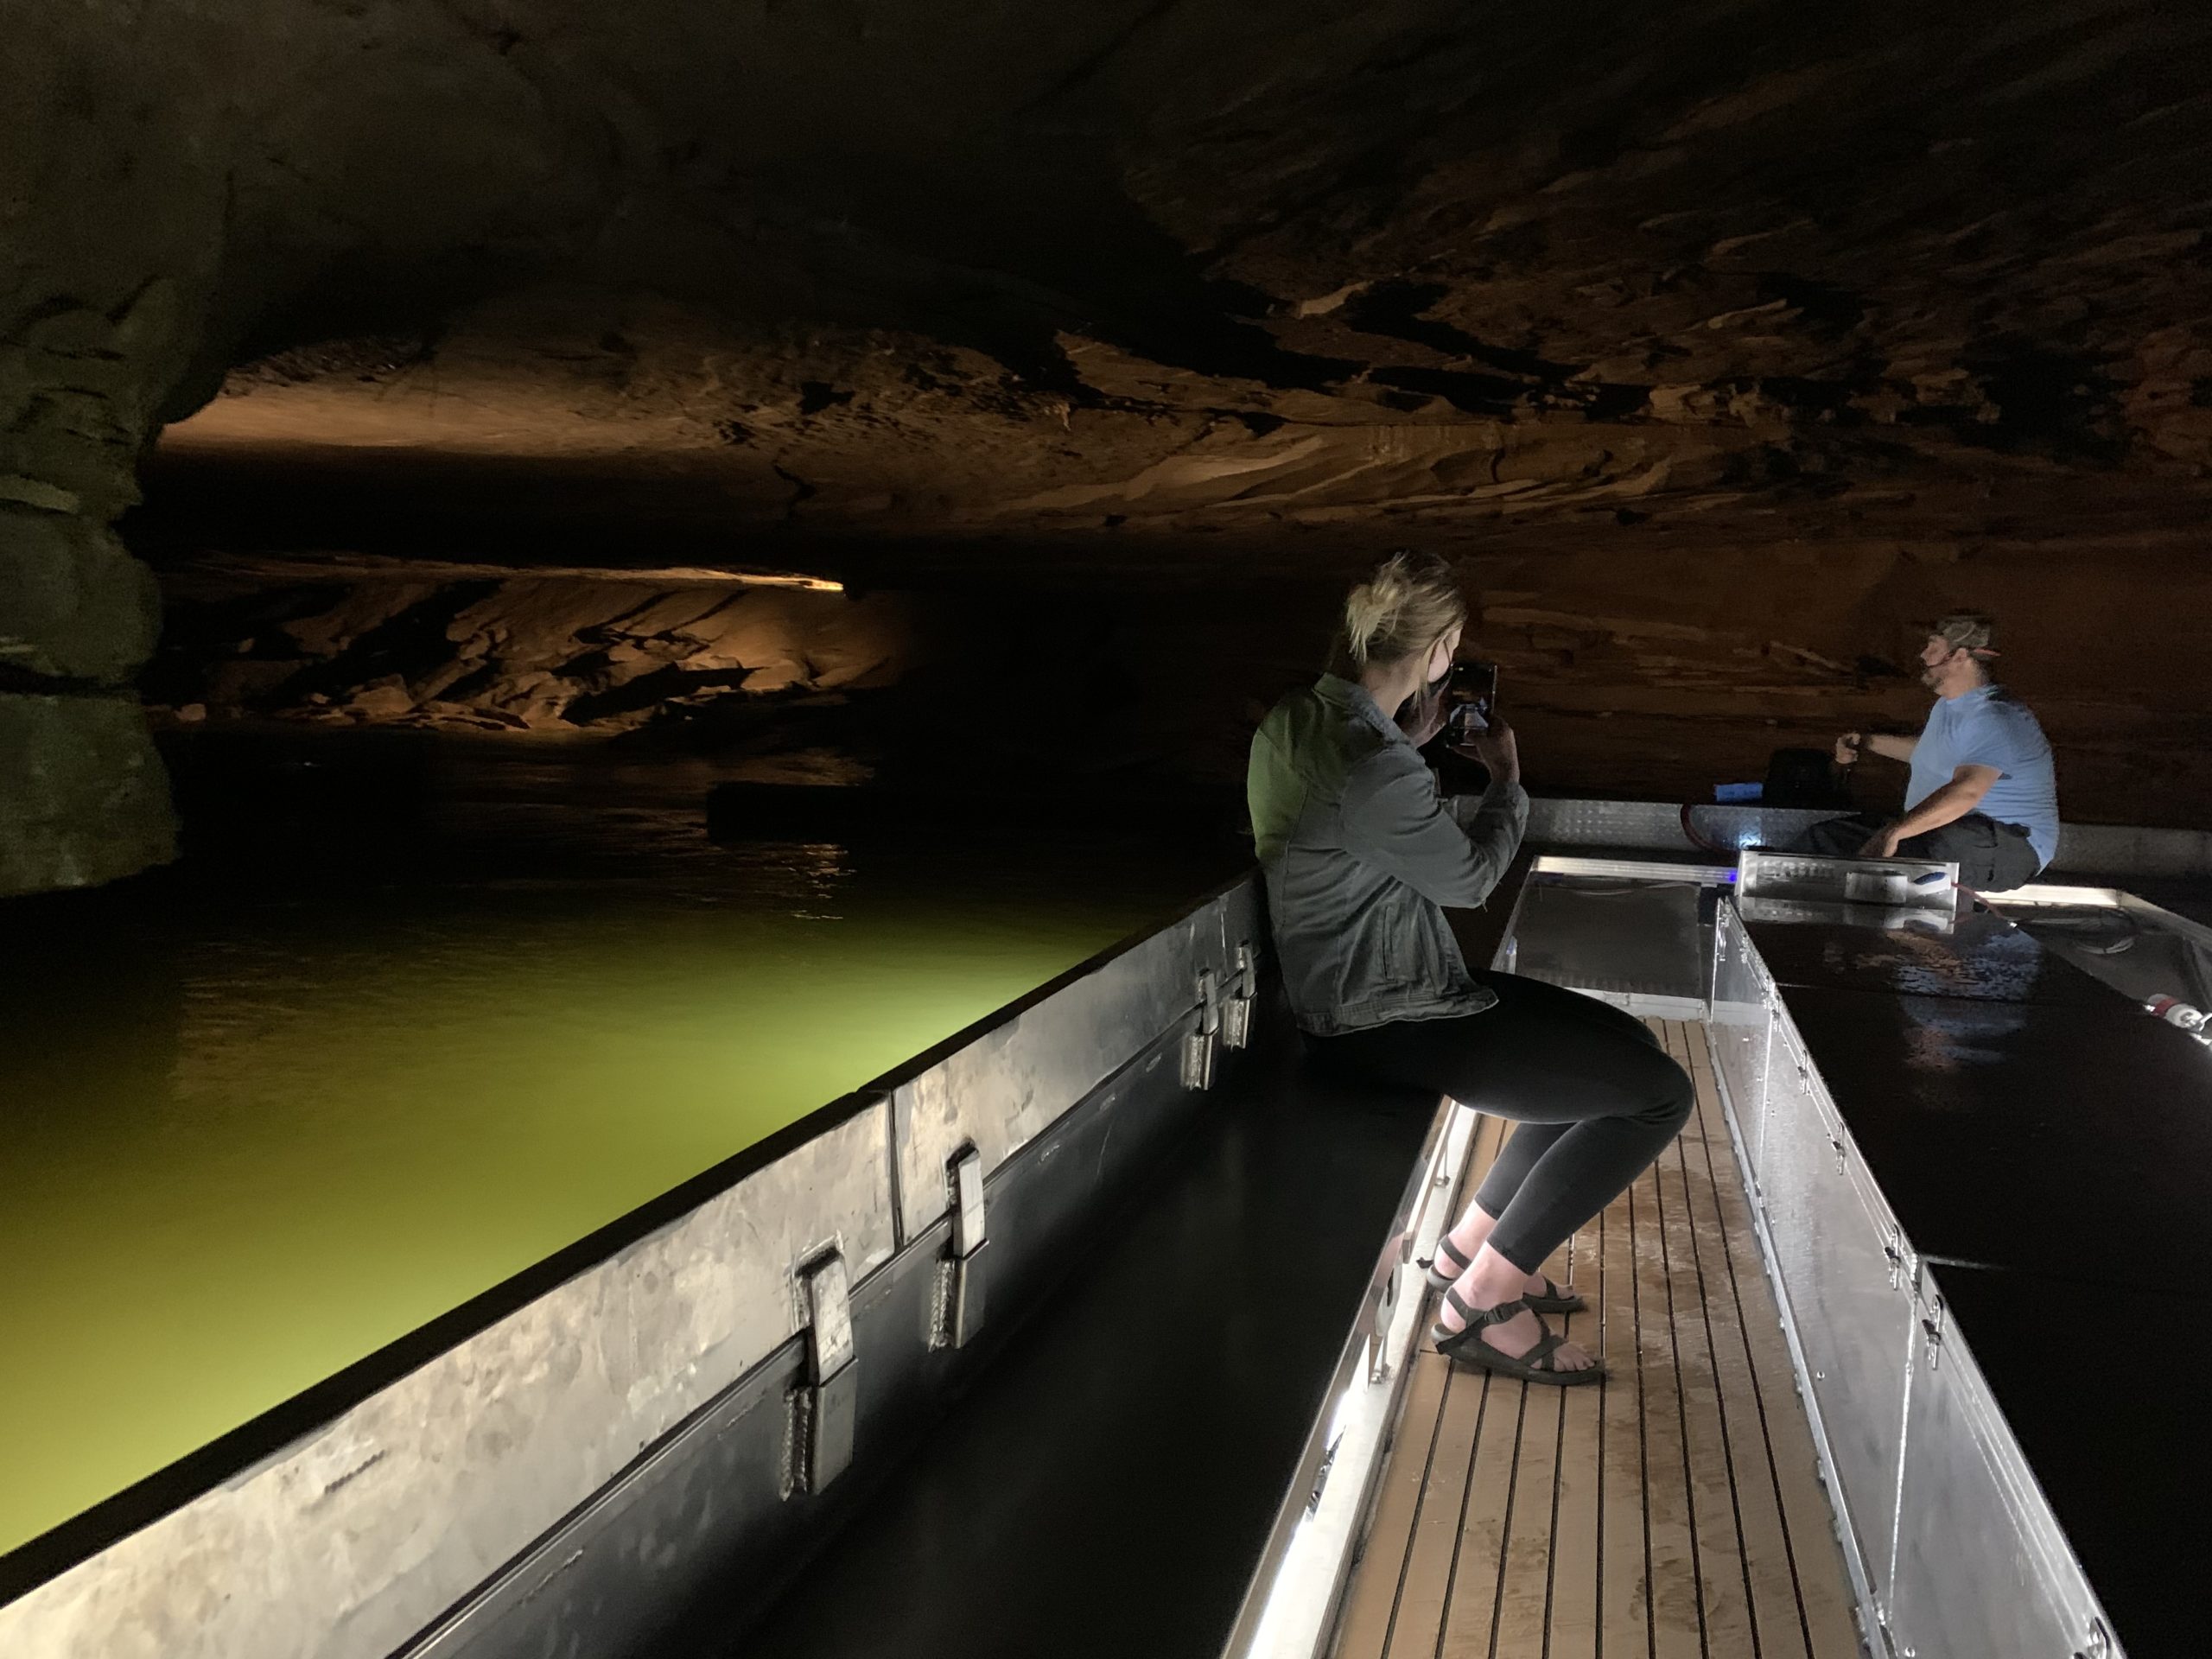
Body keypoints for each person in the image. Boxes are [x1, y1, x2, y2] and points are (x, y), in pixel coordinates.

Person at [1246, 551, 1693, 1387]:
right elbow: (1476, 880)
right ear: (1444, 648)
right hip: (1390, 1019)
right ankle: (1484, 1302)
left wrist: (1406, 744)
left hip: (1377, 996)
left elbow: (1350, 810)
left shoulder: (1296, 719)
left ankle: (1467, 1247)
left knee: (1624, 1045)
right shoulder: (1373, 767)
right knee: (1661, 1095)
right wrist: (1506, 779)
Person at [1791, 613, 2058, 892]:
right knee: (1825, 839)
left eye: (1933, 646)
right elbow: (1932, 754)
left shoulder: (1995, 716)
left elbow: (1968, 791)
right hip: (1954, 836)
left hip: (2011, 844)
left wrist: (1895, 832)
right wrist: (1867, 742)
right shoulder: (1948, 707)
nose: (1923, 654)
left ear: (1959, 656)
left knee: (1912, 853)